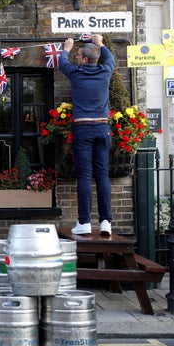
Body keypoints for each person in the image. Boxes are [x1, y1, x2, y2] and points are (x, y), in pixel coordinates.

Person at [57, 34, 115, 236]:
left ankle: (84, 222)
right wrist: (100, 43)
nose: (76, 58)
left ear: (84, 60)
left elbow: (62, 62)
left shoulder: (76, 73)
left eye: (78, 55)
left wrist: (67, 47)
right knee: (102, 175)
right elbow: (110, 59)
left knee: (84, 175)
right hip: (102, 127)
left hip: (83, 128)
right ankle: (106, 222)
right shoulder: (105, 71)